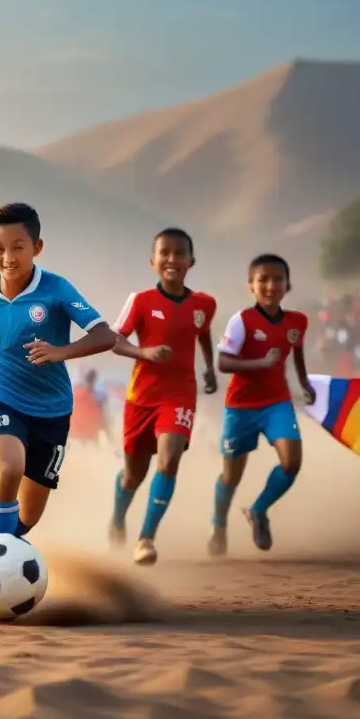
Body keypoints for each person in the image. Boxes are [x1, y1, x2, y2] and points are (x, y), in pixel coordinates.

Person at [0, 203, 117, 598]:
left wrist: (60, 352)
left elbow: (105, 335)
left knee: (28, 516)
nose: (7, 257)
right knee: (8, 470)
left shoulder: (56, 289)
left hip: (52, 410)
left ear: (37, 247)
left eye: (18, 247)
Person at [110, 228, 218, 565]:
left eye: (179, 253)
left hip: (180, 395)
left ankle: (146, 539)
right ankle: (117, 518)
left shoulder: (205, 304)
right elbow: (113, 340)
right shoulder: (140, 300)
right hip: (141, 398)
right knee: (133, 474)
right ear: (153, 260)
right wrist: (144, 352)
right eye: (165, 253)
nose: (172, 259)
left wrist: (210, 369)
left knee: (169, 461)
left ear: (191, 260)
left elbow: (202, 334)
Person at [210, 254, 313, 555]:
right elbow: (223, 362)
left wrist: (304, 383)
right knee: (231, 476)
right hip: (240, 407)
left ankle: (257, 510)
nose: (270, 285)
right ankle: (218, 525)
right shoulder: (241, 320)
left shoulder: (298, 322)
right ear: (251, 286)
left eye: (277, 279)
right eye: (263, 279)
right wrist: (260, 362)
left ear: (287, 285)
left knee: (291, 463)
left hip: (277, 403)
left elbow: (296, 353)